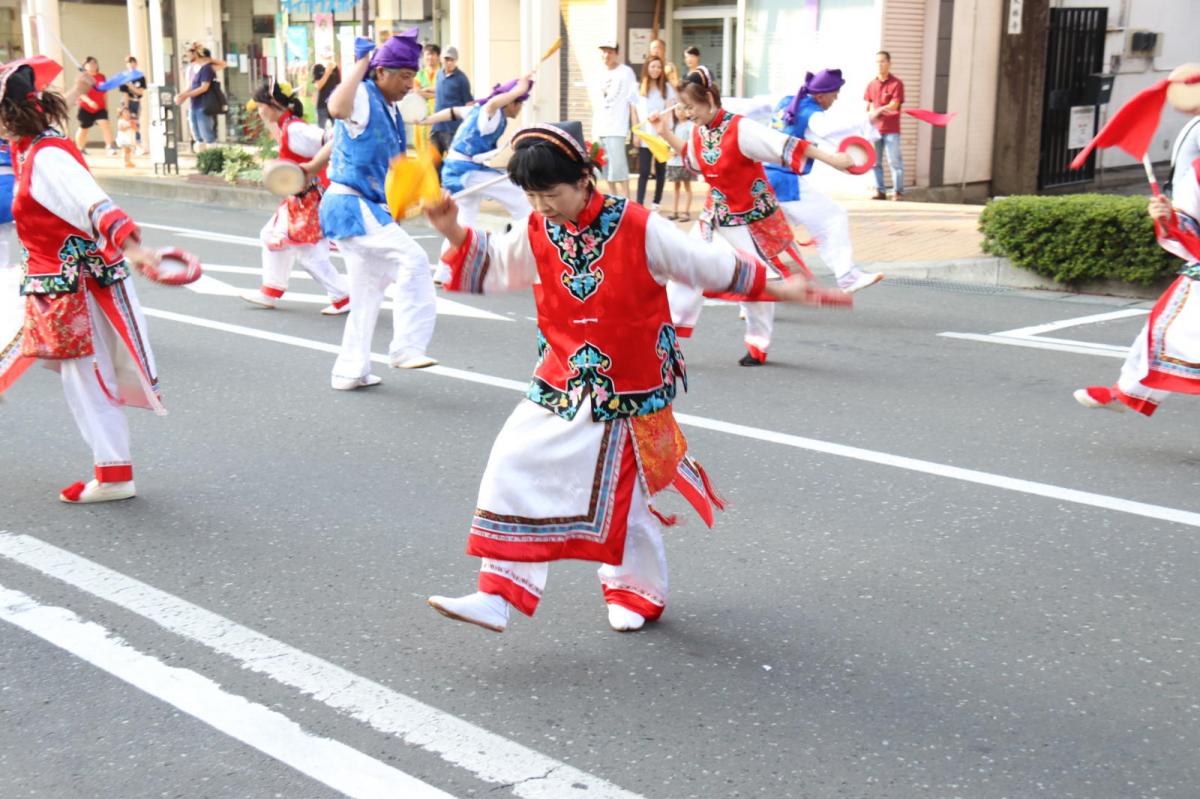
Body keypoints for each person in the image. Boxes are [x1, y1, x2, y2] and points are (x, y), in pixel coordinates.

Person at [424, 121, 833, 633]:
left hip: (631, 384)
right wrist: (452, 231)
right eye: (531, 196)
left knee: (626, 501)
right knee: (512, 458)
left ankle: (636, 593)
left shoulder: (638, 225)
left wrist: (781, 287)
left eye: (550, 194)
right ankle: (498, 594)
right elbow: (497, 265)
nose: (542, 206)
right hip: (562, 374)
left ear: (584, 179)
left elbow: (701, 263)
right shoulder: (538, 228)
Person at [0, 58, 166, 504]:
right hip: (57, 281)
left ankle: (114, 474)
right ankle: (113, 471)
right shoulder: (34, 147)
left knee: (87, 377)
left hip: (75, 287)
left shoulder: (47, 155)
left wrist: (133, 247)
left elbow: (93, 203)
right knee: (84, 376)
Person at [652, 67, 855, 366]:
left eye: (690, 107)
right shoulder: (700, 130)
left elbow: (788, 146)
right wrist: (665, 133)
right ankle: (664, 342)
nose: (687, 113)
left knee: (760, 280)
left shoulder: (741, 129)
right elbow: (694, 159)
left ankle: (758, 344)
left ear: (708, 98)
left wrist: (834, 159)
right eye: (683, 107)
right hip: (715, 217)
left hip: (751, 219)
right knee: (685, 269)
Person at [1074, 64, 1200, 416]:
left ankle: (1125, 393)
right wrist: (1168, 218)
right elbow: (1189, 223)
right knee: (1164, 332)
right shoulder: (1197, 172)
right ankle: (1126, 392)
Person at [319, 29, 438, 390]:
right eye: (403, 75)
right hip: (351, 204)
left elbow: (347, 140)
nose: (409, 83)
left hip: (361, 204)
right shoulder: (365, 96)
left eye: (412, 76)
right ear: (381, 72)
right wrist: (361, 63)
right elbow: (336, 109)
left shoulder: (388, 109)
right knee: (414, 261)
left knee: (368, 292)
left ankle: (349, 371)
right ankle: (405, 347)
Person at [765, 68, 883, 294]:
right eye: (834, 94)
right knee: (833, 217)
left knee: (767, 239)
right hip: (784, 183)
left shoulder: (787, 102)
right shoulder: (812, 114)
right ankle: (847, 276)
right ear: (821, 95)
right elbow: (830, 129)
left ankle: (752, 298)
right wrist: (868, 118)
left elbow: (753, 107)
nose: (835, 99)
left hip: (760, 178)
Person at [242, 79, 349, 316]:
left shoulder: (295, 129)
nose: (258, 112)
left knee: (309, 254)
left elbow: (334, 139)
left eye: (260, 106)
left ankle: (344, 296)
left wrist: (312, 169)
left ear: (272, 105)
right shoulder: (286, 125)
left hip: (313, 198)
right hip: (302, 198)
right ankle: (270, 291)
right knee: (270, 234)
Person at [423, 74, 534, 234]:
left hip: (456, 171)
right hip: (464, 171)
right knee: (519, 193)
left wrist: (426, 120)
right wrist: (519, 90)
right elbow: (494, 103)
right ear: (510, 102)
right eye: (519, 103)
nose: (520, 107)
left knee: (463, 224)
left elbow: (452, 112)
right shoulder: (492, 113)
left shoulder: (476, 110)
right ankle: (527, 232)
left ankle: (453, 256)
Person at [594, 41, 638, 197]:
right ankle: (613, 198)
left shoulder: (626, 72)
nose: (606, 55)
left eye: (610, 52)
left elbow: (633, 101)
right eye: (604, 51)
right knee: (605, 167)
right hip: (601, 127)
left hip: (617, 127)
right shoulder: (599, 73)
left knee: (619, 166)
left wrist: (635, 129)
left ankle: (626, 199)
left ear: (617, 53)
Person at [634, 55, 674, 210]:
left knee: (660, 169)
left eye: (658, 67)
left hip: (661, 135)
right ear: (647, 68)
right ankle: (639, 204)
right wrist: (636, 134)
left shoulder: (667, 88)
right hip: (645, 135)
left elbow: (669, 110)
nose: (655, 69)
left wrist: (663, 130)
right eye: (652, 66)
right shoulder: (638, 88)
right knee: (643, 171)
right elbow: (634, 111)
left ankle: (656, 202)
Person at [864, 50, 904, 200]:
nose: (879, 65)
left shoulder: (896, 84)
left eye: (882, 61)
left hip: (891, 129)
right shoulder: (871, 84)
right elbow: (868, 106)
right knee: (875, 162)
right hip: (875, 129)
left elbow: (894, 104)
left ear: (889, 63)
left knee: (894, 161)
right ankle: (880, 191)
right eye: (877, 62)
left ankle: (897, 192)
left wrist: (879, 109)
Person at [431, 46, 472, 165]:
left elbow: (468, 103)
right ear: (441, 59)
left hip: (452, 129)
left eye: (451, 60)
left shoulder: (461, 79)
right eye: (446, 59)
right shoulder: (439, 74)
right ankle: (435, 184)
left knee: (453, 161)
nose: (448, 62)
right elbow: (440, 91)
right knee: (433, 160)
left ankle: (451, 183)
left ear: (456, 60)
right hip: (436, 126)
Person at [175, 47, 220, 151]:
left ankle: (212, 159)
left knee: (207, 135)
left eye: (190, 54)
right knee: (197, 135)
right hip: (193, 105)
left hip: (204, 105)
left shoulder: (206, 68)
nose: (188, 57)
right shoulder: (191, 69)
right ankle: (202, 159)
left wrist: (185, 95)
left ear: (197, 55)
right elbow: (190, 87)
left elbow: (204, 87)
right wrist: (181, 96)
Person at [75, 57, 117, 156]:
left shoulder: (101, 77)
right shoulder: (82, 78)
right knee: (84, 129)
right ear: (85, 66)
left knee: (104, 123)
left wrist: (106, 107)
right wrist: (89, 102)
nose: (93, 64)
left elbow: (104, 92)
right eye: (90, 63)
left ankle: (109, 146)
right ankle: (80, 148)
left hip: (100, 107)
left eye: (95, 63)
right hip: (85, 107)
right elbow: (81, 93)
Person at [665, 105, 694, 222]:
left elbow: (690, 142)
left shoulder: (690, 126)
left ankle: (686, 211)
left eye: (682, 109)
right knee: (675, 187)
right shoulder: (675, 126)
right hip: (674, 162)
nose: (679, 112)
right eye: (677, 109)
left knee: (687, 186)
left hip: (684, 162)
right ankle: (674, 211)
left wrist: (680, 150)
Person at [413, 43, 440, 153]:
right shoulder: (419, 74)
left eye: (433, 54)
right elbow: (417, 92)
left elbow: (446, 92)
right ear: (424, 57)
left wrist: (426, 90)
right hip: (421, 114)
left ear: (438, 56)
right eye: (428, 54)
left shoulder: (442, 73)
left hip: (439, 115)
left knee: (438, 147)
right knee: (422, 147)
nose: (430, 57)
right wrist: (436, 93)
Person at [118, 55, 146, 154]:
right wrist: (125, 107)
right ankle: (126, 145)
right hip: (127, 101)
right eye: (129, 62)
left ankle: (137, 144)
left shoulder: (140, 76)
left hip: (136, 101)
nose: (132, 64)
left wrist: (131, 86)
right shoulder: (124, 76)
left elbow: (141, 92)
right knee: (126, 123)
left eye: (133, 62)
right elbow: (125, 93)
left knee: (135, 123)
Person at [312, 60, 341, 130]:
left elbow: (338, 86)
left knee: (337, 130)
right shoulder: (317, 67)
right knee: (320, 131)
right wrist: (327, 72)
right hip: (322, 106)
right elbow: (318, 86)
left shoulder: (335, 67)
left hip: (334, 105)